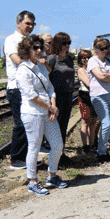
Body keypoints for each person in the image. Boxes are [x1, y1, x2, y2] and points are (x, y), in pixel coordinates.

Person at [15, 35, 69, 195]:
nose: (39, 51)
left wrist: (52, 105)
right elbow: (31, 95)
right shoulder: (23, 70)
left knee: (58, 145)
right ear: (26, 50)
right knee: (34, 146)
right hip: (33, 113)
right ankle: (32, 180)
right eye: (35, 48)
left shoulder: (40, 67)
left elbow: (50, 88)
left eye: (40, 47)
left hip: (47, 111)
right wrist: (50, 108)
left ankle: (52, 175)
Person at [4, 10, 36, 170]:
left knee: (30, 122)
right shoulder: (11, 40)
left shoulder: (30, 41)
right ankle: (16, 159)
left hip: (29, 86)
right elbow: (17, 60)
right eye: (27, 23)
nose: (30, 27)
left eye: (32, 24)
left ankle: (26, 158)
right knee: (21, 124)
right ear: (18, 23)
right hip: (16, 87)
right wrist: (35, 61)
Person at [87, 37, 110, 163]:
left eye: (107, 48)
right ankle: (100, 151)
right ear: (96, 50)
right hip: (99, 95)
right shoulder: (93, 61)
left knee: (109, 122)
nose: (105, 51)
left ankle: (103, 149)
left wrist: (108, 77)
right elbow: (100, 76)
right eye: (102, 48)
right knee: (105, 122)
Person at [45, 32, 74, 167]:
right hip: (57, 97)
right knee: (56, 127)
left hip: (68, 96)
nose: (67, 46)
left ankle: (61, 154)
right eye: (64, 43)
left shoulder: (69, 59)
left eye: (69, 43)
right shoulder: (52, 59)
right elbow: (46, 80)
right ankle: (55, 156)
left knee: (63, 126)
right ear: (58, 44)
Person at [76, 50, 98, 153]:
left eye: (88, 57)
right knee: (85, 121)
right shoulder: (81, 70)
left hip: (94, 96)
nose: (86, 60)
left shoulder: (92, 69)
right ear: (80, 60)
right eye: (84, 58)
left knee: (93, 122)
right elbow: (89, 83)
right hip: (84, 96)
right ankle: (85, 145)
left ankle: (92, 144)